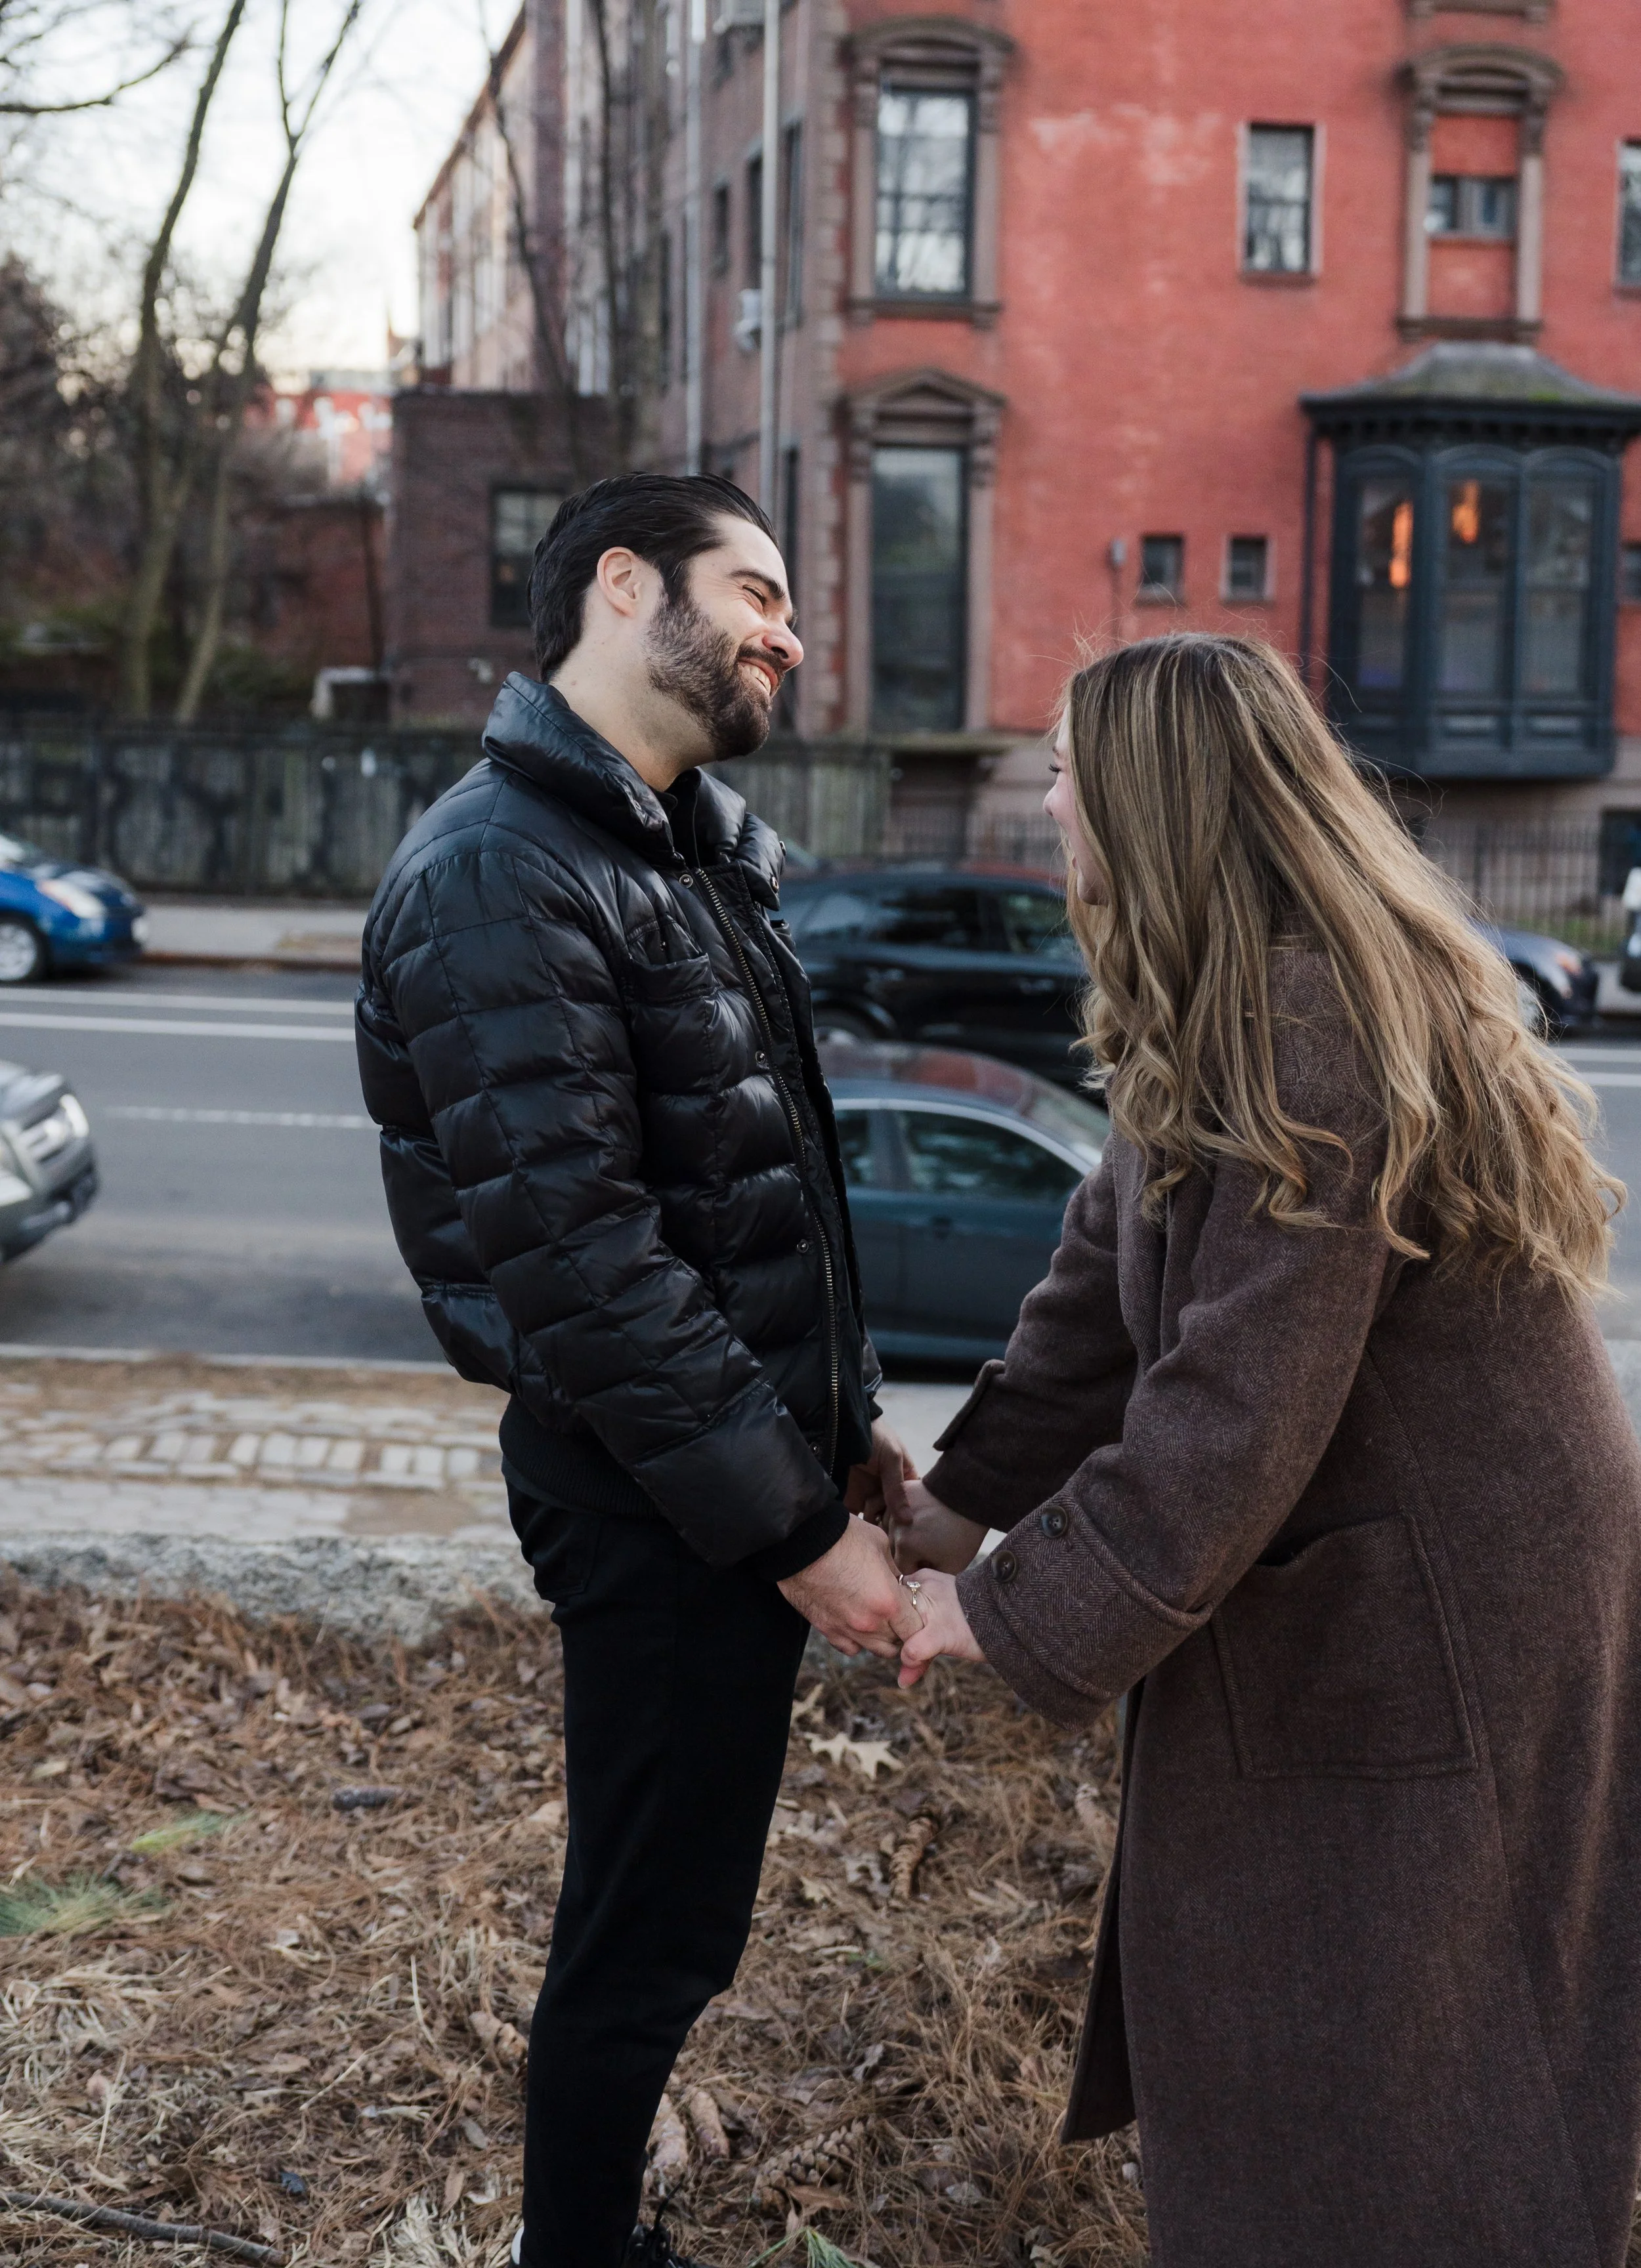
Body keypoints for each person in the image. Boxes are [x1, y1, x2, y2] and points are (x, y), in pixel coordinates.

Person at [886, 632, 1641, 2268]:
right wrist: (948, 1513)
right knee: (1329, 2033)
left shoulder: (1309, 1015)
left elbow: (1236, 1398)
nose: (1051, 810)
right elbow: (1097, 1289)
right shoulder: (1224, 990)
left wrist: (1007, 1611)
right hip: (1386, 1567)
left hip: (1448, 1599)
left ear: (1157, 807)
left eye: (1074, 784)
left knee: (1425, 2048)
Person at [355, 472, 926, 2268]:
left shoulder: (663, 849)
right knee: (645, 1933)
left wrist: (844, 1438)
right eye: (754, 586)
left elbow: (746, 1199)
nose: (788, 629)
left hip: (724, 1478)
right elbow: (583, 1265)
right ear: (623, 588)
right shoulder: (497, 875)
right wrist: (787, 1528)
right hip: (657, 1501)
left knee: (670, 1915)